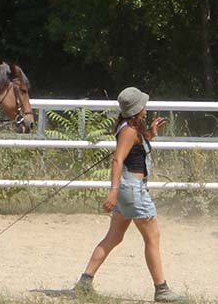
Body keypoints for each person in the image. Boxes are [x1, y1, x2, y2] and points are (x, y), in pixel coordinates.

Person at [73, 87, 184, 303]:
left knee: (114, 237)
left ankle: (84, 283)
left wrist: (151, 133)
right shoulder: (129, 131)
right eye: (144, 104)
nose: (146, 107)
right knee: (152, 237)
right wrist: (113, 192)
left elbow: (134, 150)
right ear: (138, 108)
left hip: (128, 189)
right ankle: (161, 290)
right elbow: (118, 160)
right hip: (133, 189)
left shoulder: (131, 128)